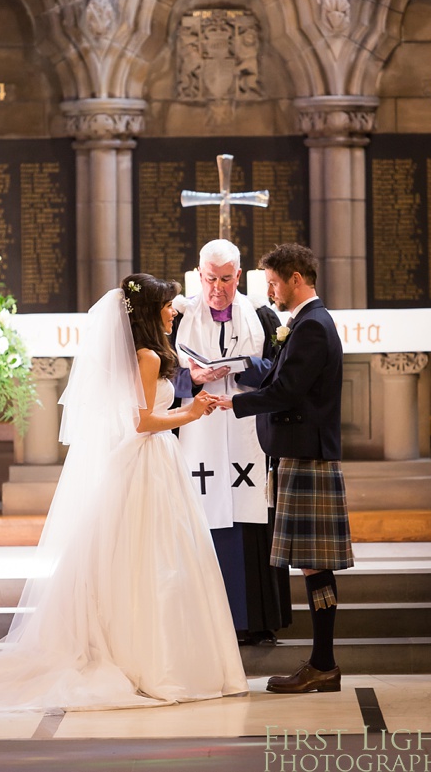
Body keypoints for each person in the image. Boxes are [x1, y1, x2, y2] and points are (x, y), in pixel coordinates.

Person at [0, 274, 248, 713]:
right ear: (149, 312)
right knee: (152, 557)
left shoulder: (146, 354)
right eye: (167, 306)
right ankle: (151, 659)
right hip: (148, 457)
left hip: (154, 461)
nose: (173, 311)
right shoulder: (145, 356)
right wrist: (192, 411)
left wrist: (188, 384)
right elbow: (141, 422)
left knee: (153, 556)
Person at [219, 243, 354, 693]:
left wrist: (232, 403)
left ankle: (324, 663)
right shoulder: (305, 324)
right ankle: (322, 661)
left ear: (297, 279)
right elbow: (279, 378)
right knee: (313, 566)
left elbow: (287, 392)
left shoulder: (313, 326)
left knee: (316, 566)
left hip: (308, 458)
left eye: (274, 282)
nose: (270, 290)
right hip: (300, 455)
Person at [171, 239, 291, 644]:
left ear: (238, 276)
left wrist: (246, 369)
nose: (217, 288)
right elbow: (154, 375)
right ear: (198, 274)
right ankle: (203, 623)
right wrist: (190, 378)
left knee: (250, 514)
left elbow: (280, 371)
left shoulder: (262, 315)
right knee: (204, 516)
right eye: (210, 279)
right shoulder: (178, 316)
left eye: (225, 279)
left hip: (247, 433)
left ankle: (254, 623)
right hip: (197, 436)